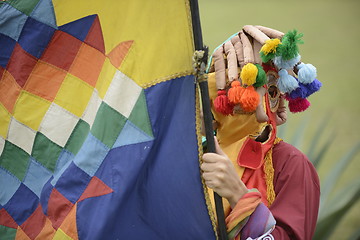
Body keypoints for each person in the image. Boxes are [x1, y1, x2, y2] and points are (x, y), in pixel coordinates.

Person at [201, 25, 321, 239]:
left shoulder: (289, 164)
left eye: (270, 92)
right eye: (236, 94)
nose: (258, 111)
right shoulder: (196, 155)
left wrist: (239, 196)